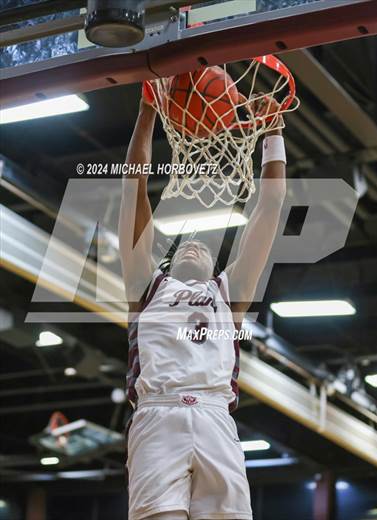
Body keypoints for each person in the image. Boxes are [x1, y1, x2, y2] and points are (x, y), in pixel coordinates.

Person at [119, 90, 287, 520]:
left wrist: (273, 132)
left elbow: (269, 207)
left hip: (215, 415)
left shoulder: (228, 294)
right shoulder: (147, 287)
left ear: (215, 263)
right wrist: (145, 113)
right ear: (168, 261)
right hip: (158, 413)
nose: (193, 246)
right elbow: (133, 189)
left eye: (203, 247)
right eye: (183, 246)